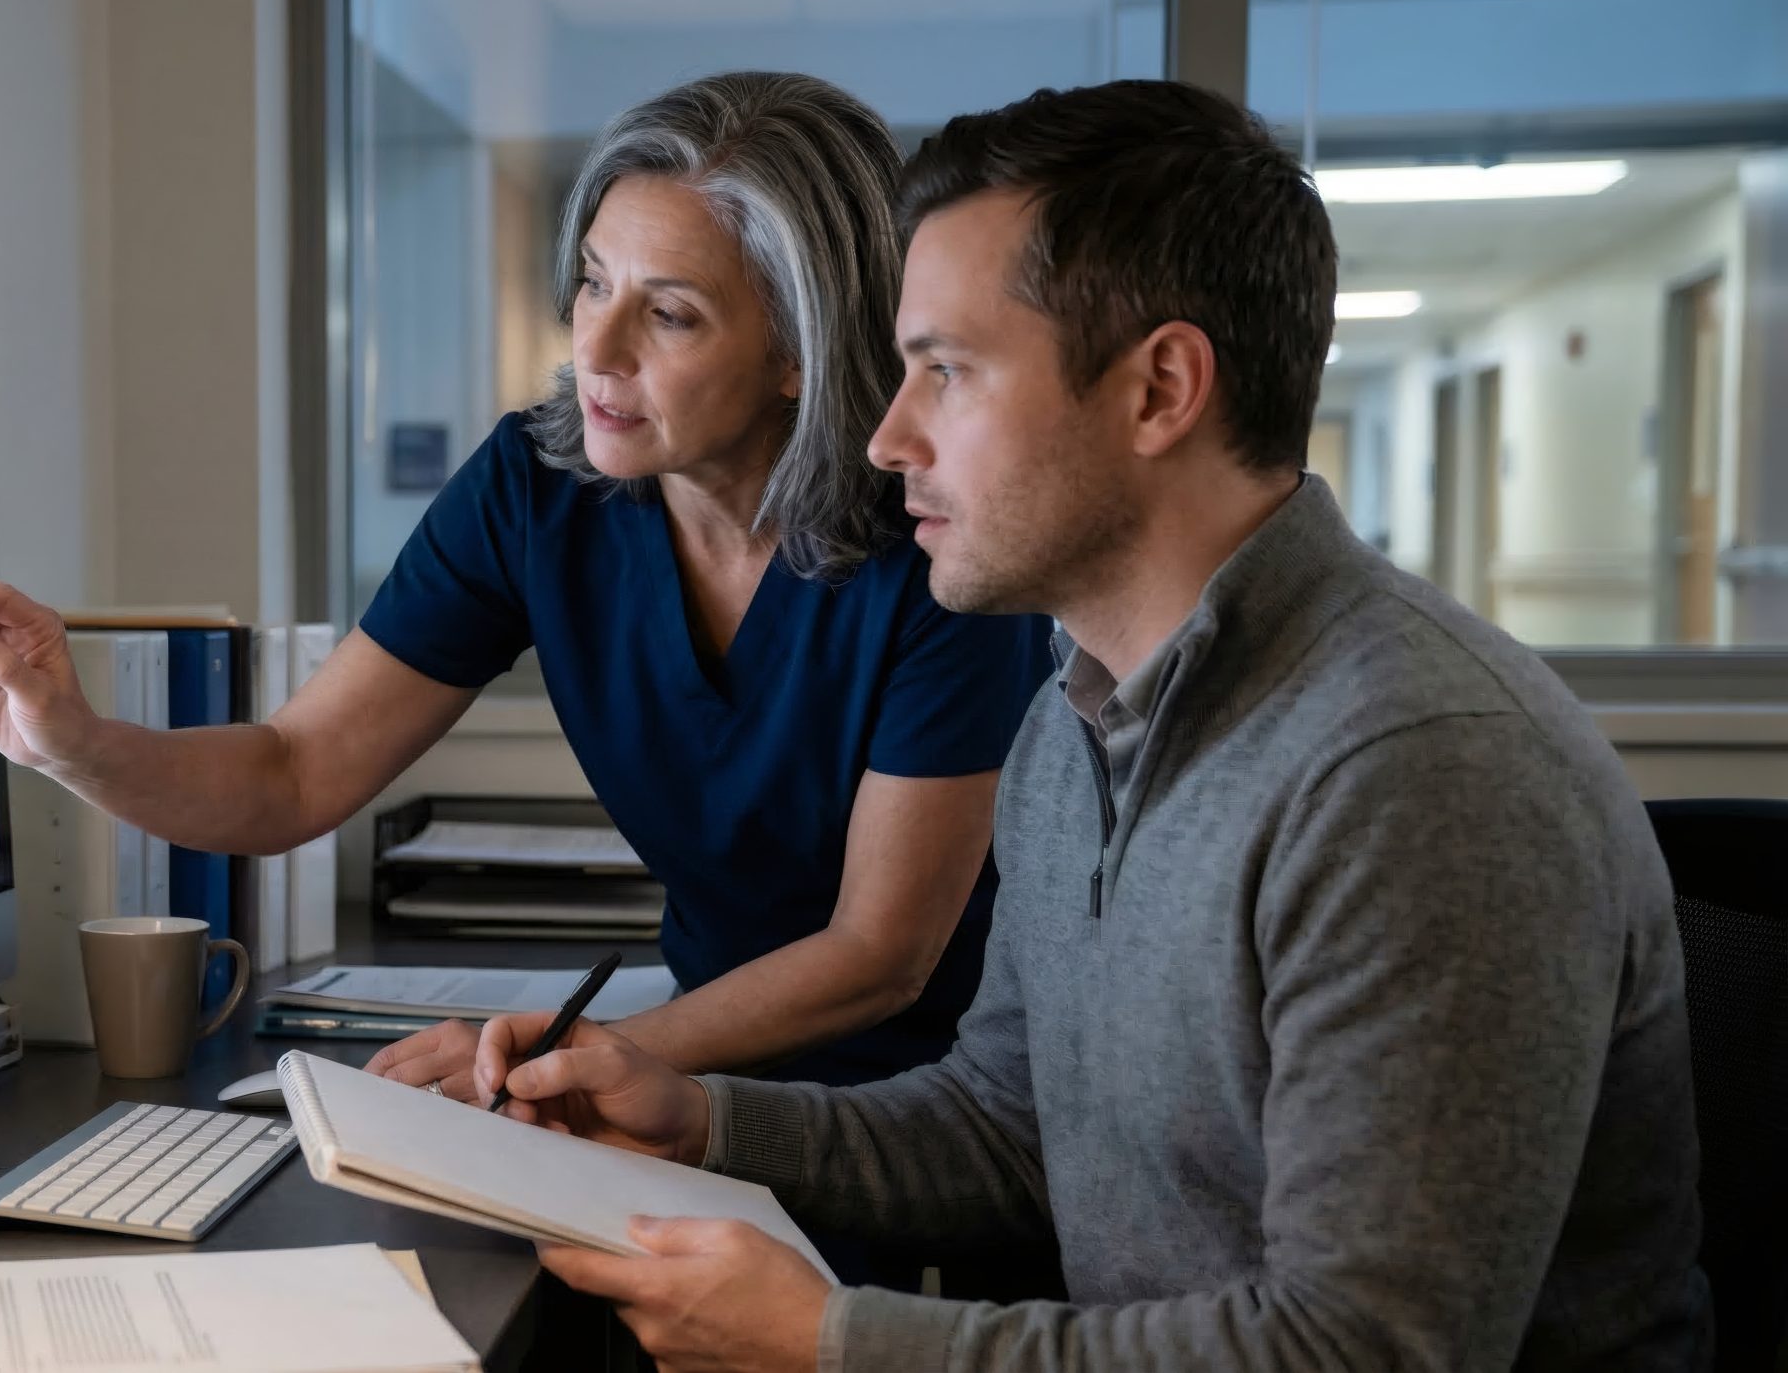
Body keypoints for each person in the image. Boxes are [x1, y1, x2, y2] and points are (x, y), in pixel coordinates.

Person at [470, 79, 1712, 1370]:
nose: (888, 439)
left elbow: (1368, 1348)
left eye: (946, 372)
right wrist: (703, 1123)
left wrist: (833, 1342)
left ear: (1160, 388)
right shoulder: (1077, 726)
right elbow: (1015, 1123)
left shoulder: (1419, 767)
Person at [0, 71, 1053, 1091]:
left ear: (800, 351)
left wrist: (567, 1055)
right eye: (592, 282)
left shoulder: (930, 541)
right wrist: (73, 740)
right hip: (681, 1067)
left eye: (667, 313)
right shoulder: (538, 486)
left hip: (933, 1107)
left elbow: (878, 959)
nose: (595, 350)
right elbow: (291, 772)